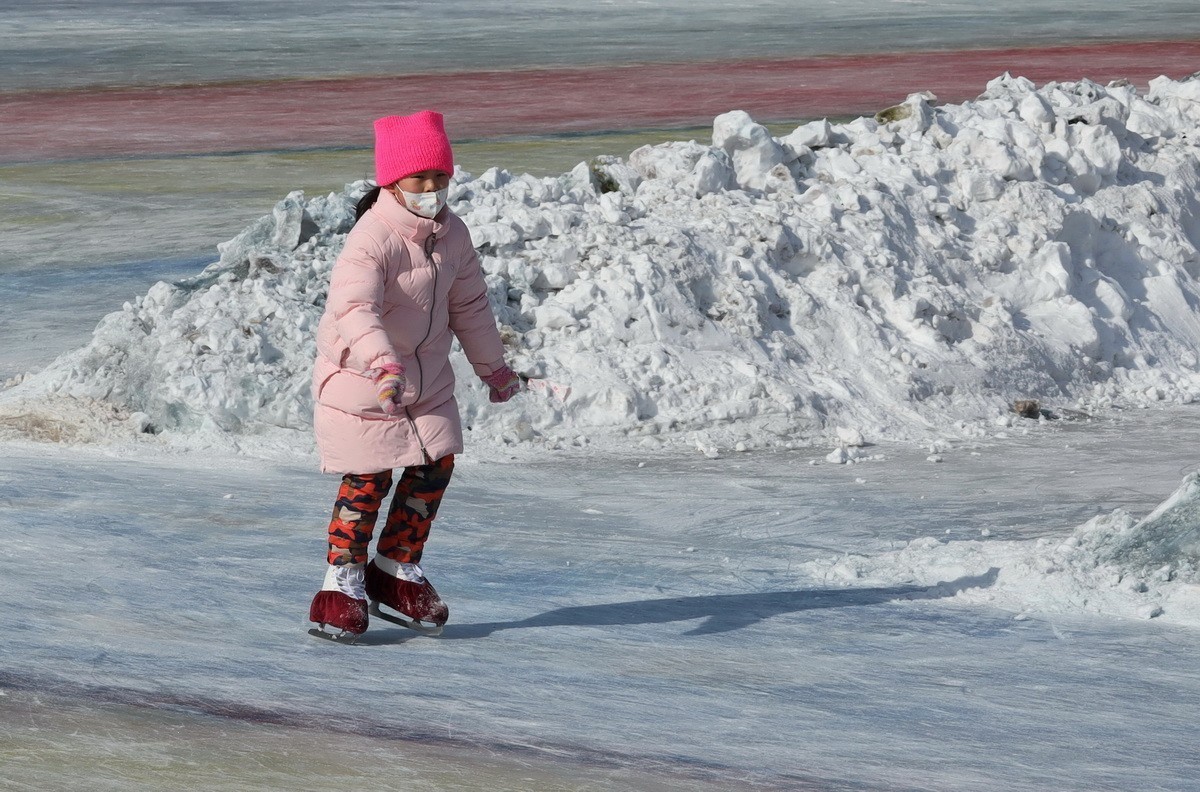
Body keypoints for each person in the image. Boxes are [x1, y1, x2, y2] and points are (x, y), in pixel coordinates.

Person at [308, 110, 522, 638]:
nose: (432, 188)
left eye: (440, 177)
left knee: (435, 465)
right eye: (419, 179)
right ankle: (341, 581)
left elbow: (469, 306)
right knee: (368, 477)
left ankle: (394, 570)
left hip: (425, 381)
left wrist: (493, 368)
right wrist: (383, 363)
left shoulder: (452, 234)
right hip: (364, 379)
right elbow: (354, 309)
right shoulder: (372, 237)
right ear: (392, 180)